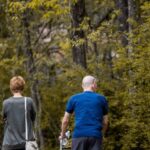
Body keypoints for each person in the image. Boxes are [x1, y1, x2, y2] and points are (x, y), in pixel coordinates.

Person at [60, 75, 109, 150]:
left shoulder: (73, 99)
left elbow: (65, 121)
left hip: (79, 136)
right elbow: (105, 122)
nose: (97, 86)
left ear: (82, 85)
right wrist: (101, 134)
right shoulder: (102, 99)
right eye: (96, 84)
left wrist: (63, 134)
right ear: (93, 84)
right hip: (95, 136)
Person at [1, 76, 36, 150]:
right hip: (26, 144)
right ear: (23, 87)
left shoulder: (6, 103)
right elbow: (33, 118)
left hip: (9, 144)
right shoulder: (29, 101)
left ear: (11, 87)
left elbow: (4, 119)